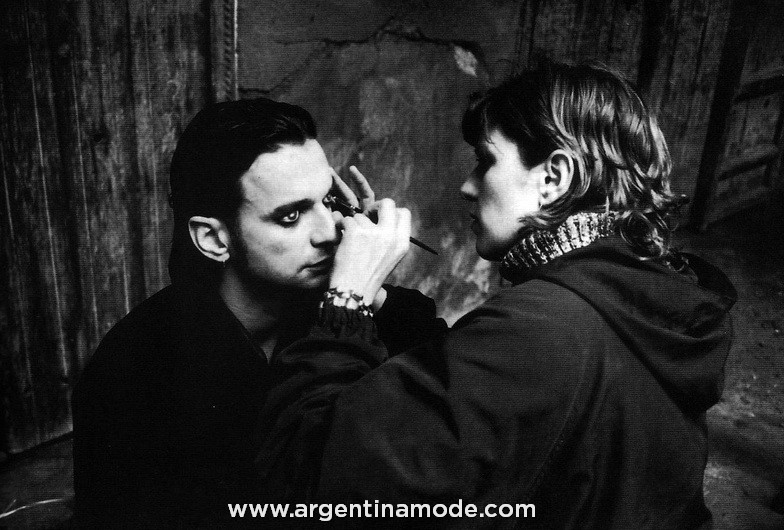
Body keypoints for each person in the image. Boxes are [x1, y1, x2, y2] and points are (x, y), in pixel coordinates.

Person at [257, 62, 737, 528]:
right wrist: (377, 298)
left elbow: (311, 480)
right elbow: (471, 391)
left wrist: (345, 302)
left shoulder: (542, 327)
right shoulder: (627, 290)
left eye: (485, 161)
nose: (467, 187)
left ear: (554, 178)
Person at [72, 98, 440, 527]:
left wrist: (367, 288)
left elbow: (442, 369)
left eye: (327, 201)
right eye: (291, 216)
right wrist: (349, 297)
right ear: (214, 240)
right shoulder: (136, 371)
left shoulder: (325, 307)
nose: (329, 232)